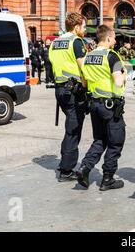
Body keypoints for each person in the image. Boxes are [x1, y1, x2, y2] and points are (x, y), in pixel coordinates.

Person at [76, 25, 127, 191]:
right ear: (107, 39)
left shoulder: (89, 56)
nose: (115, 41)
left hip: (94, 104)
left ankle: (84, 168)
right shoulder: (112, 56)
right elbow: (118, 82)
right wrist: (125, 73)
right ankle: (108, 178)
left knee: (100, 140)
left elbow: (84, 81)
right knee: (115, 141)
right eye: (113, 38)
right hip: (110, 106)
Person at [49, 12, 88, 182]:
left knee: (70, 126)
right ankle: (66, 170)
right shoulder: (76, 42)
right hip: (74, 91)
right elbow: (84, 67)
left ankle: (65, 161)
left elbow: (51, 63)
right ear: (77, 27)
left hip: (60, 90)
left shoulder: (55, 42)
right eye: (84, 26)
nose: (85, 30)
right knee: (74, 129)